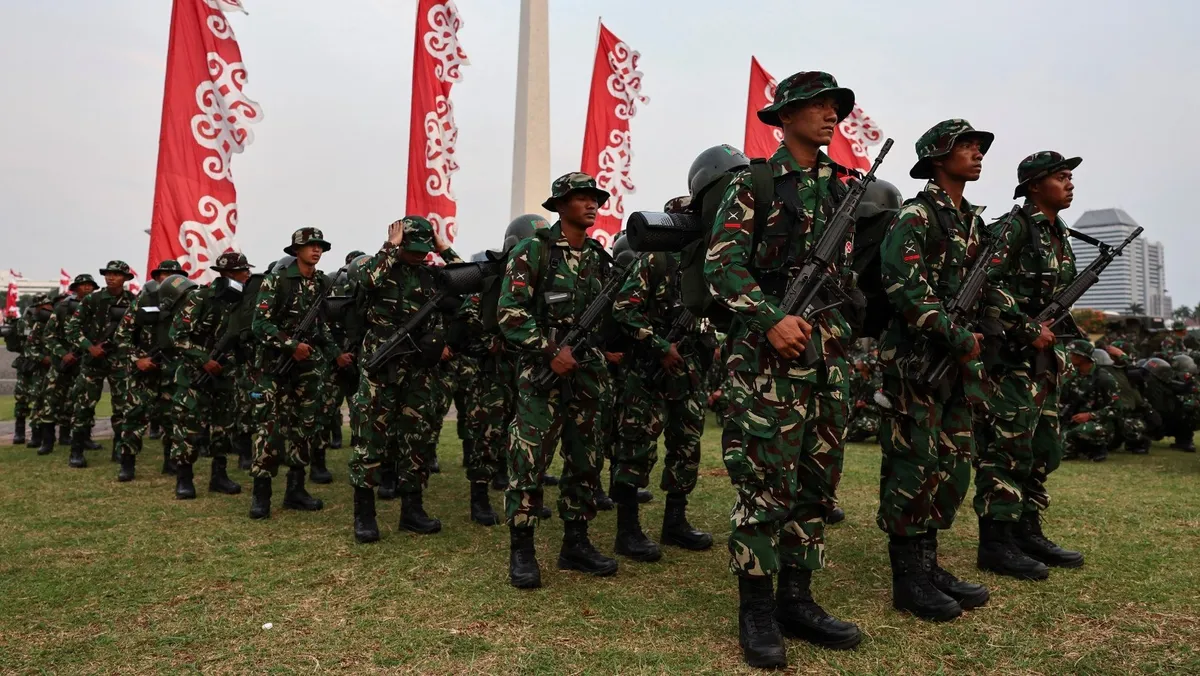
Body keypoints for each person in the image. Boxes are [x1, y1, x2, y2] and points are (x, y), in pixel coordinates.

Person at [704, 71, 864, 668]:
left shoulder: (844, 188)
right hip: (765, 362)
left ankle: (797, 600)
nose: (831, 115)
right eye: (818, 106)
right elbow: (723, 266)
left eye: (835, 107)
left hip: (826, 358)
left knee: (817, 485)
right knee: (765, 485)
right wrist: (770, 318)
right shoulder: (754, 183)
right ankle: (757, 609)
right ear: (787, 115)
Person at [876, 119, 995, 621]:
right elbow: (903, 287)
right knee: (913, 465)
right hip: (916, 363)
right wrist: (957, 335)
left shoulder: (973, 223)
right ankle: (908, 579)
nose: (977, 152)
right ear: (938, 157)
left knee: (951, 466)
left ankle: (929, 565)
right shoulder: (916, 215)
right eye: (966, 145)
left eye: (978, 146)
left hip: (956, 367)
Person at [497, 172, 621, 589]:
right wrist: (550, 350)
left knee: (586, 459)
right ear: (560, 205)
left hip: (587, 374)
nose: (591, 204)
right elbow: (510, 312)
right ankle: (522, 549)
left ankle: (576, 543)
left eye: (594, 198)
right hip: (541, 374)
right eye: (581, 197)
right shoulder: (534, 251)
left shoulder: (598, 257)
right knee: (529, 460)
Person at [978, 151, 1087, 575]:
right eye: (1061, 177)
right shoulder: (1014, 227)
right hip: (1012, 358)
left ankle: (1027, 530)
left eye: (1070, 177)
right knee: (1007, 448)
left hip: (1043, 360)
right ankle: (996, 542)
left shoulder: (1059, 233)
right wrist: (1026, 327)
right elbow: (985, 283)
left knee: (1043, 448)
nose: (1070, 183)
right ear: (1035, 185)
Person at [610, 201, 713, 561]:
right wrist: (659, 346)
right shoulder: (655, 260)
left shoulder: (705, 263)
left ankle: (675, 522)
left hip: (689, 375)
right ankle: (627, 531)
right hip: (648, 374)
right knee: (635, 449)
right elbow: (624, 309)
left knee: (686, 449)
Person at [347, 217, 460, 542]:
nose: (420, 255)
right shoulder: (378, 267)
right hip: (382, 364)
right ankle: (364, 516)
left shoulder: (431, 273)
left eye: (425, 249)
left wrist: (443, 247)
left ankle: (412, 511)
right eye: (413, 248)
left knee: (417, 437)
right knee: (370, 436)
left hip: (419, 367)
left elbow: (470, 281)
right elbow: (367, 280)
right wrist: (390, 246)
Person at [248, 228, 347, 519]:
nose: (316, 250)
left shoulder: (322, 282)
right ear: (296, 250)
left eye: (320, 246)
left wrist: (335, 353)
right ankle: (261, 495)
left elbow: (321, 326)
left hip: (307, 369)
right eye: (310, 246)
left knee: (305, 427)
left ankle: (296, 490)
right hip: (274, 368)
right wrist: (290, 345)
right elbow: (259, 324)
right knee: (270, 429)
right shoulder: (277, 280)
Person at [166, 252, 256, 496]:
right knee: (188, 428)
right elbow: (177, 336)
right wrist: (204, 360)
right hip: (194, 376)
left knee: (223, 428)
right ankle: (184, 479)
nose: (247, 275)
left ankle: (219, 476)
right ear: (227, 274)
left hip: (225, 376)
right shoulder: (200, 297)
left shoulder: (242, 302)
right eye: (243, 271)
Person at [65, 260, 135, 468]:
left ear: (126, 278)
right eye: (108, 274)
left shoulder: (133, 301)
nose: (111, 277)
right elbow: (72, 329)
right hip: (93, 360)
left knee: (122, 407)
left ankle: (119, 449)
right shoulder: (92, 300)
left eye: (116, 274)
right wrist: (89, 347)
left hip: (120, 361)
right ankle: (76, 451)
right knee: (84, 406)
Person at [30, 276, 97, 455]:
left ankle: (83, 438)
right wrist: (63, 354)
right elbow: (48, 335)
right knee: (51, 400)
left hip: (85, 362)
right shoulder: (62, 308)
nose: (87, 288)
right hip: (62, 362)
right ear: (75, 288)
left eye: (90, 285)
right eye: (83, 285)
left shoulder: (98, 308)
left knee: (84, 401)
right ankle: (47, 442)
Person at [1060, 340, 1119, 462]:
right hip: (1074, 421)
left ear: (1082, 357)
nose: (1068, 356)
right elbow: (1064, 401)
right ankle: (1075, 448)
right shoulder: (1073, 376)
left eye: (1072, 354)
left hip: (1100, 425)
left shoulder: (1104, 379)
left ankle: (1098, 449)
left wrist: (1090, 415)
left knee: (1083, 430)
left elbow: (1117, 409)